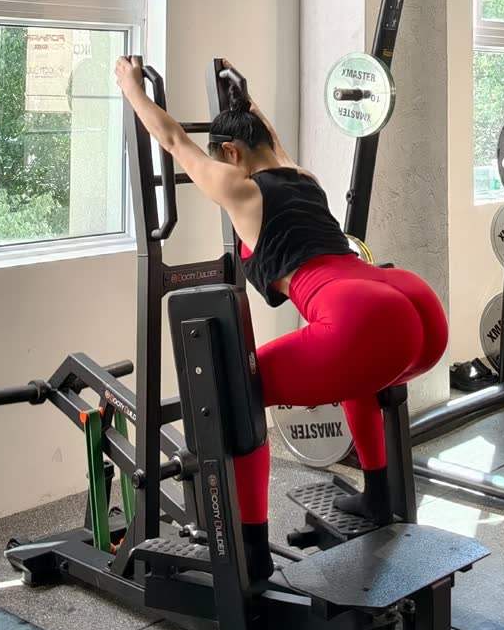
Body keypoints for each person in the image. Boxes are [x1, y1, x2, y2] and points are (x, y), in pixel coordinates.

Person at [114, 57, 448, 582]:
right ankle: (379, 496)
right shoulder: (301, 175)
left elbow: (174, 141)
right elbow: (268, 140)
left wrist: (132, 88)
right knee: (361, 377)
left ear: (230, 153)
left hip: (359, 316)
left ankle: (250, 551)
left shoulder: (240, 189)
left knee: (235, 395)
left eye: (225, 158)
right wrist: (243, 96)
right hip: (407, 302)